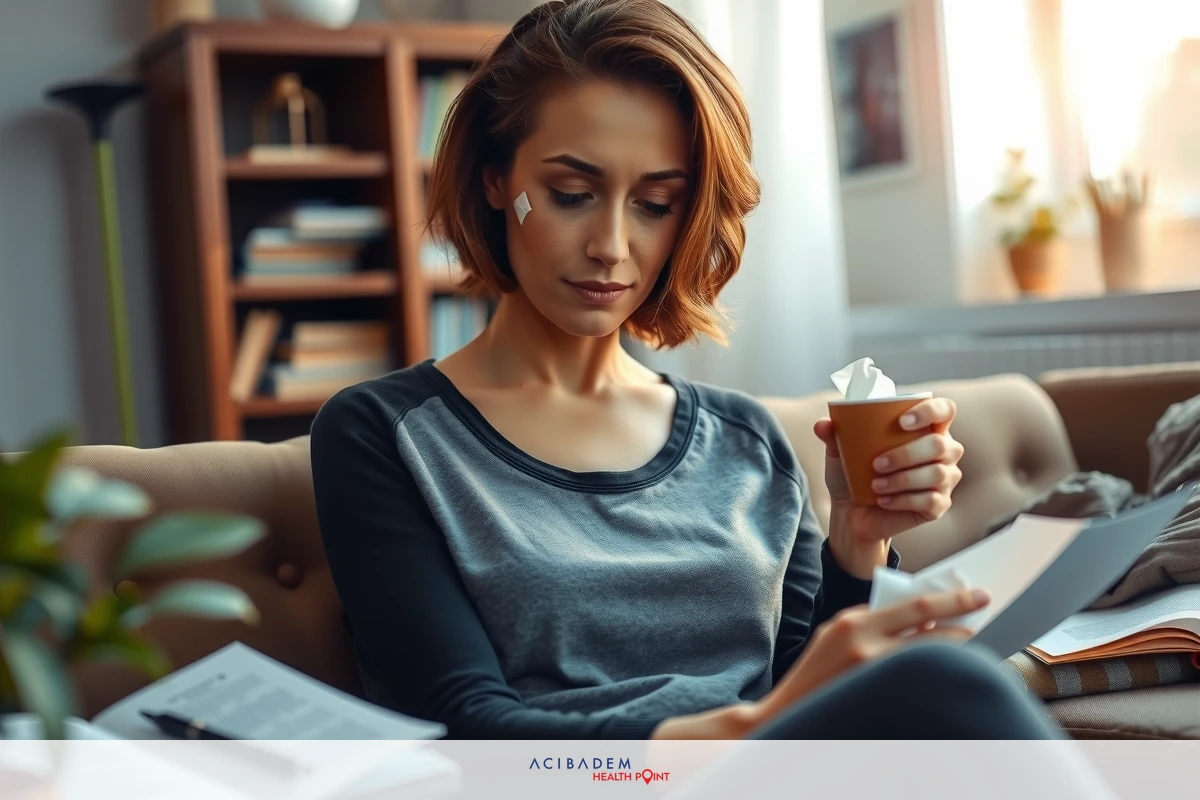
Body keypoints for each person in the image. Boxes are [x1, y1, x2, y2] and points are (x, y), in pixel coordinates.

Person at [309, 0, 1061, 740]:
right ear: (494, 179)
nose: (611, 244)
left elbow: (818, 690)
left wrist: (859, 542)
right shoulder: (384, 433)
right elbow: (472, 729)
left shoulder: (744, 438)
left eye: (655, 204)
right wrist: (753, 728)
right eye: (572, 194)